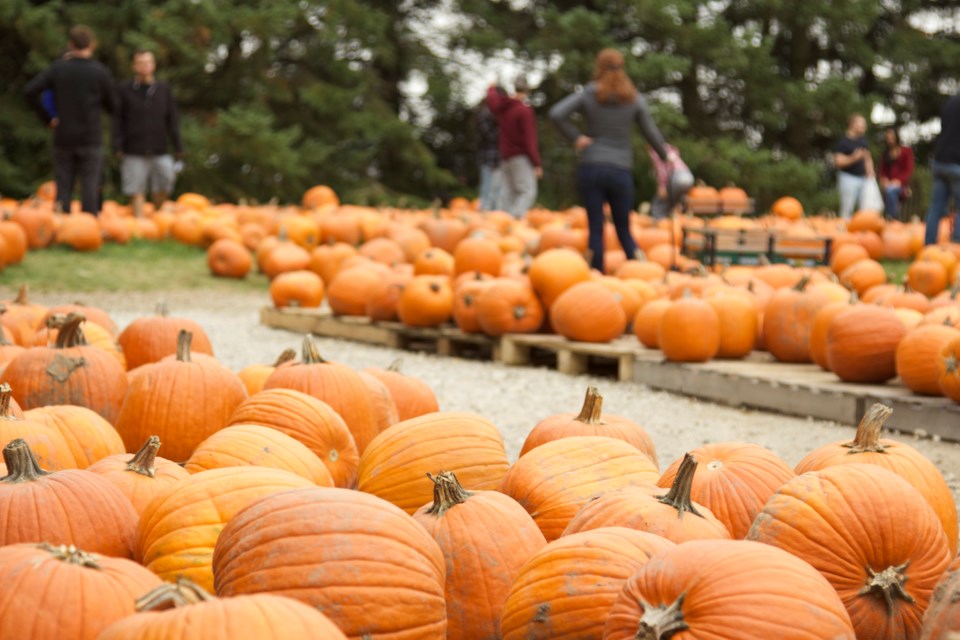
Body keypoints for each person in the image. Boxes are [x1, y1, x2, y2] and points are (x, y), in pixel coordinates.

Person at [549, 48, 677, 272]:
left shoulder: (589, 93)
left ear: (598, 67)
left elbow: (557, 113)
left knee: (595, 227)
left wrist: (577, 138)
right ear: (622, 67)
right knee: (623, 229)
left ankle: (596, 275)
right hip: (620, 169)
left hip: (592, 166)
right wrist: (667, 156)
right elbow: (651, 132)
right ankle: (641, 272)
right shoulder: (633, 97)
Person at [24, 25, 116, 216]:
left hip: (64, 134)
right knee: (90, 184)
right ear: (91, 45)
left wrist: (48, 118)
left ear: (71, 44)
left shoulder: (58, 69)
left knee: (64, 183)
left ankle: (61, 225)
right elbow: (113, 105)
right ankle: (88, 225)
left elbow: (30, 91)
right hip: (91, 136)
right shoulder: (100, 72)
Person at [113, 49, 184, 217]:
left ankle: (156, 217)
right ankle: (139, 224)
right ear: (134, 66)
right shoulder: (125, 90)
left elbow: (172, 120)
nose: (144, 66)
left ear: (153, 65)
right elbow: (117, 120)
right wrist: (117, 145)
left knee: (165, 182)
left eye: (147, 62)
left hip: (159, 148)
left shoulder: (163, 90)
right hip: (133, 148)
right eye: (140, 63)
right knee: (135, 188)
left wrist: (178, 147)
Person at [486, 76, 541, 218]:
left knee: (507, 192)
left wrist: (491, 88)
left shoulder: (504, 106)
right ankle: (514, 222)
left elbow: (492, 101)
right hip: (520, 156)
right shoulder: (524, 110)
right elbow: (530, 139)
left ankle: (502, 222)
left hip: (505, 156)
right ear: (527, 90)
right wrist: (536, 163)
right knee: (527, 191)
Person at [925, 91, 960, 245]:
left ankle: (929, 245)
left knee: (936, 207)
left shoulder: (949, 103)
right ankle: (957, 245)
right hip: (956, 162)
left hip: (939, 160)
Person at [832, 113, 874, 219]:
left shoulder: (863, 141)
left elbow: (867, 158)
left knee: (865, 209)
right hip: (848, 178)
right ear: (852, 124)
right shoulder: (844, 142)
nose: (864, 126)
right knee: (847, 209)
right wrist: (854, 158)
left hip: (863, 179)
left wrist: (870, 170)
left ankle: (864, 232)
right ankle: (844, 233)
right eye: (861, 124)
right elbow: (838, 161)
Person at [879, 127, 914, 221]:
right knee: (888, 191)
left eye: (891, 136)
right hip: (889, 185)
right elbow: (882, 172)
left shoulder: (906, 151)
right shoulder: (885, 154)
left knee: (890, 191)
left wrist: (899, 181)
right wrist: (884, 180)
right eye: (888, 137)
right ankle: (890, 218)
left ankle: (893, 218)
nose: (889, 139)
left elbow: (909, 170)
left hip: (903, 187)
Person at [647, 143, 689, 220]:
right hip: (688, 177)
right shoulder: (670, 149)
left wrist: (662, 186)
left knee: (658, 203)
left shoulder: (656, 152)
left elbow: (663, 170)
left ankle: (658, 224)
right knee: (673, 202)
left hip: (676, 177)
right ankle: (676, 217)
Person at [476, 100, 502, 211]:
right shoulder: (486, 113)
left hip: (498, 157)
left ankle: (494, 213)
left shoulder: (495, 113)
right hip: (490, 157)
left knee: (496, 190)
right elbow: (490, 135)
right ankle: (486, 212)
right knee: (488, 188)